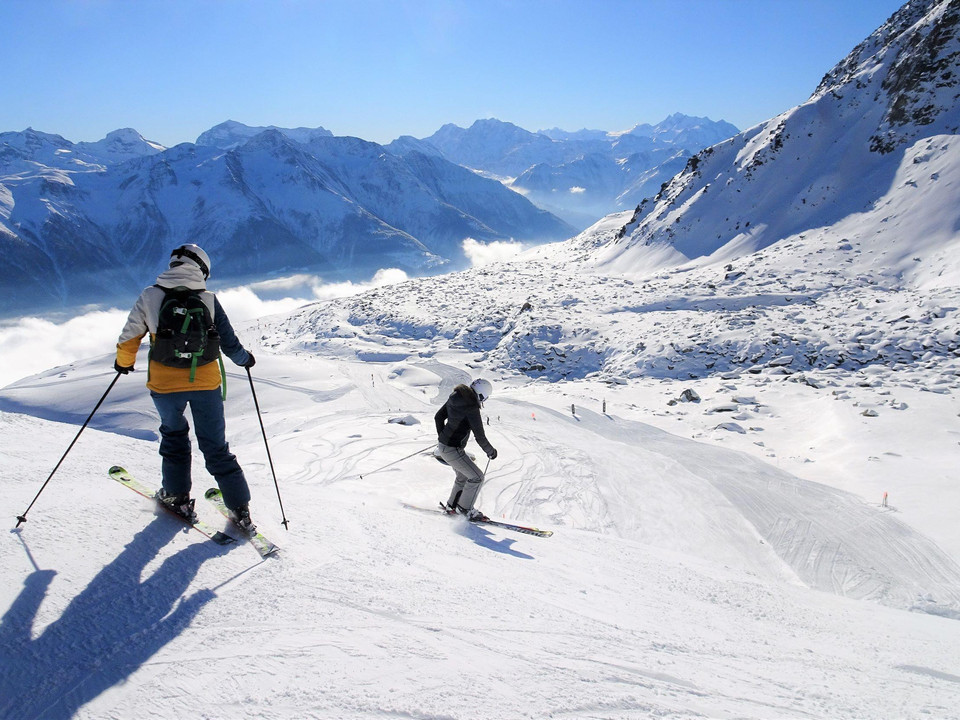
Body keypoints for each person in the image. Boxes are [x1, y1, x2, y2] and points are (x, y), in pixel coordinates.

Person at [114, 243, 258, 533]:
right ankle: (240, 509)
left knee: (175, 437)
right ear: (202, 269)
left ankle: (176, 497)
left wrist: (123, 363)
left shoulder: (150, 295)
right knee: (216, 446)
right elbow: (229, 343)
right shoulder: (209, 299)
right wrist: (246, 360)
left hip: (164, 385)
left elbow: (130, 335)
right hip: (206, 384)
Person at [435, 378, 498, 521]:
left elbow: (438, 417)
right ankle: (465, 509)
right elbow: (480, 437)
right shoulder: (471, 408)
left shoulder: (455, 396)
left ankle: (452, 506)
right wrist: (490, 451)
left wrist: (443, 437)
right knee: (477, 477)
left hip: (445, 447)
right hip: (452, 449)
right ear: (482, 395)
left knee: (463, 476)